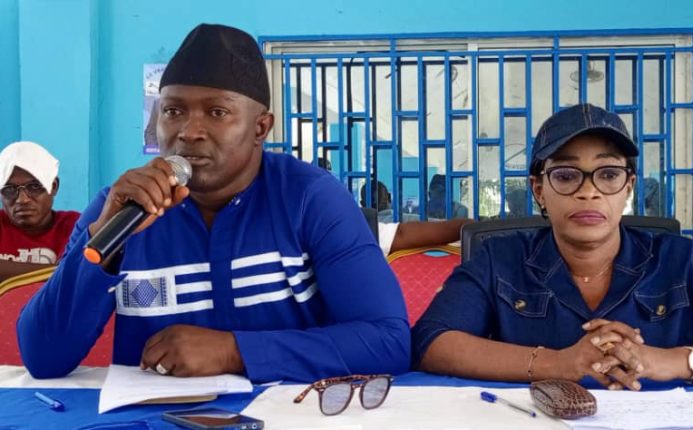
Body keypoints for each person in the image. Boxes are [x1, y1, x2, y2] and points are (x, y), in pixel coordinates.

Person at [18, 24, 410, 382]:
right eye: (173, 111)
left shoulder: (311, 198)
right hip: (152, 420)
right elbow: (42, 357)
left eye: (217, 112)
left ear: (260, 128)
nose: (189, 132)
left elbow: (387, 341)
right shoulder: (121, 207)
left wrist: (234, 351)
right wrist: (104, 239)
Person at [412, 103, 693, 390]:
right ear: (539, 190)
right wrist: (558, 363)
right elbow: (432, 342)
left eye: (608, 174)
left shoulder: (686, 262)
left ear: (628, 187)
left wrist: (674, 361)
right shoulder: (499, 260)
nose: (589, 192)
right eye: (565, 175)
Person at [0, 141, 79, 281]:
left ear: (53, 187)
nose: (22, 200)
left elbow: (86, 273)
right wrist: (61, 270)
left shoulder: (75, 226)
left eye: (34, 187)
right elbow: (74, 271)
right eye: (9, 189)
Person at [359, 180, 471, 255]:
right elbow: (440, 229)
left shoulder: (362, 229)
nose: (438, 197)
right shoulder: (408, 220)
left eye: (441, 192)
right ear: (389, 197)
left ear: (362, 204)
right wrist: (471, 226)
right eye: (438, 192)